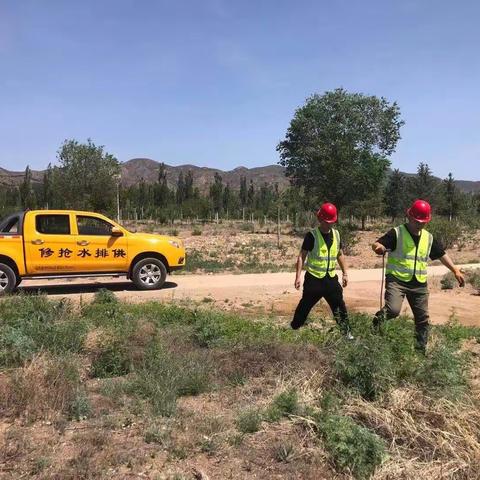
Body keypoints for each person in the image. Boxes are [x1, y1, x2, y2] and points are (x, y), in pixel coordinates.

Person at [372, 199, 465, 353]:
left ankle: (420, 351)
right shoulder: (397, 232)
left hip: (419, 283)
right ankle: (377, 322)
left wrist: (455, 270)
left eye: (423, 221)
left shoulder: (428, 238)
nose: (420, 224)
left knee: (422, 319)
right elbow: (377, 244)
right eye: (417, 220)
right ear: (409, 217)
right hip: (397, 280)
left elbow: (441, 254)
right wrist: (378, 247)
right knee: (393, 310)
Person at [291, 202, 352, 338]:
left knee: (340, 307)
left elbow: (340, 254)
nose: (328, 224)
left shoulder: (336, 234)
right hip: (314, 280)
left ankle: (347, 334)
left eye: (331, 222)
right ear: (320, 219)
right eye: (326, 221)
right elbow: (302, 256)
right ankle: (294, 328)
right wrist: (297, 277)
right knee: (304, 306)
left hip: (330, 280)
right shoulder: (311, 236)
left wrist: (345, 273)